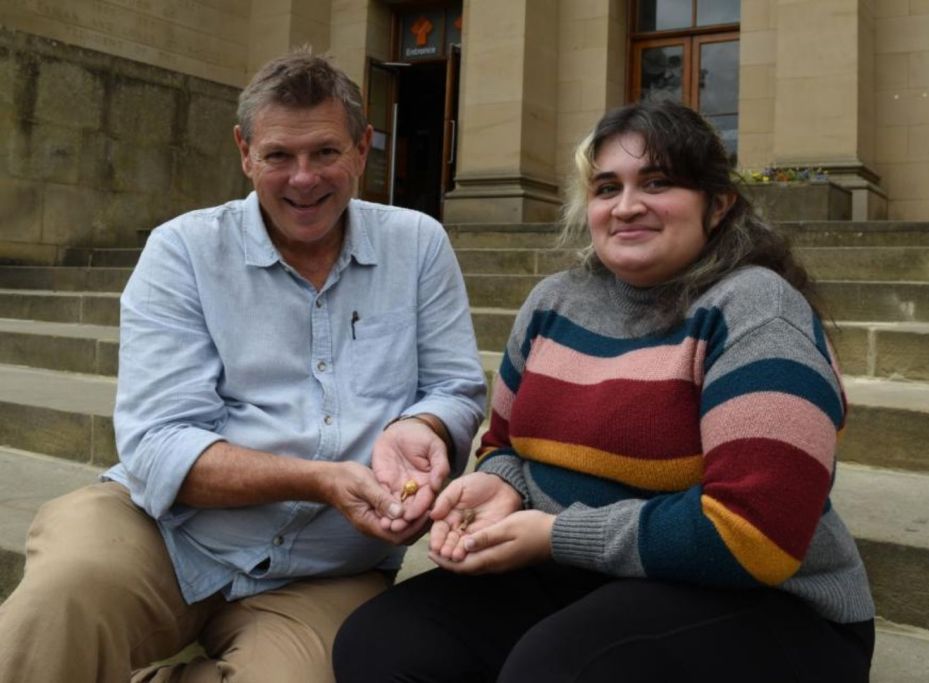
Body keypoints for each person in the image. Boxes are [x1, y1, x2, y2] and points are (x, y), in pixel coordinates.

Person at [333, 100, 875, 682]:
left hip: (765, 598)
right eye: (606, 187)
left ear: (718, 205)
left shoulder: (755, 309)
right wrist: (494, 486)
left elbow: (755, 531)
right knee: (379, 645)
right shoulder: (554, 302)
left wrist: (554, 536)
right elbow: (505, 444)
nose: (627, 206)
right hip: (574, 574)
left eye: (658, 183)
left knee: (560, 669)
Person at [0, 51, 486, 682]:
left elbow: (454, 386)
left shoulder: (418, 245)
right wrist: (320, 479)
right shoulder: (185, 250)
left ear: (364, 149)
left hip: (325, 572)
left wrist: (424, 426)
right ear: (244, 152)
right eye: (279, 155)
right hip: (162, 532)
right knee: (59, 605)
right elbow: (158, 445)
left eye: (326, 153)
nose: (304, 179)